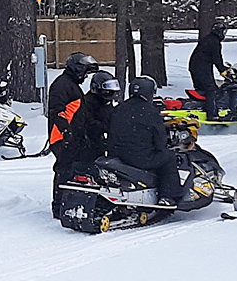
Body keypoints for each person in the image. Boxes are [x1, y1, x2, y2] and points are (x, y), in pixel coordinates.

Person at [107, 76, 189, 206]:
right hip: (139, 158)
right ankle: (168, 196)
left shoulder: (119, 108)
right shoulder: (151, 112)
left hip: (117, 155)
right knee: (169, 157)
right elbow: (160, 142)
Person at [48, 51, 99, 217]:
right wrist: (66, 134)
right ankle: (58, 207)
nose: (85, 77)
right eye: (85, 73)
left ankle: (71, 202)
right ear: (77, 69)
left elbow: (78, 114)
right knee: (64, 170)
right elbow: (57, 112)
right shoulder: (62, 86)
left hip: (73, 137)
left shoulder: (71, 85)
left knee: (76, 169)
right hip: (62, 137)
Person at [72, 70, 120, 166]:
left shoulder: (105, 102)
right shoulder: (87, 102)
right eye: (107, 88)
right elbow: (89, 122)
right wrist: (106, 127)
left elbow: (110, 116)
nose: (110, 92)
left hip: (101, 142)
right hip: (88, 144)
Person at [188, 21, 230, 120]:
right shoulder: (214, 42)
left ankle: (201, 108)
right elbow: (217, 58)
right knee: (211, 89)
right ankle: (212, 114)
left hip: (195, 66)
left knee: (201, 89)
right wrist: (223, 71)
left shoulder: (207, 39)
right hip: (202, 67)